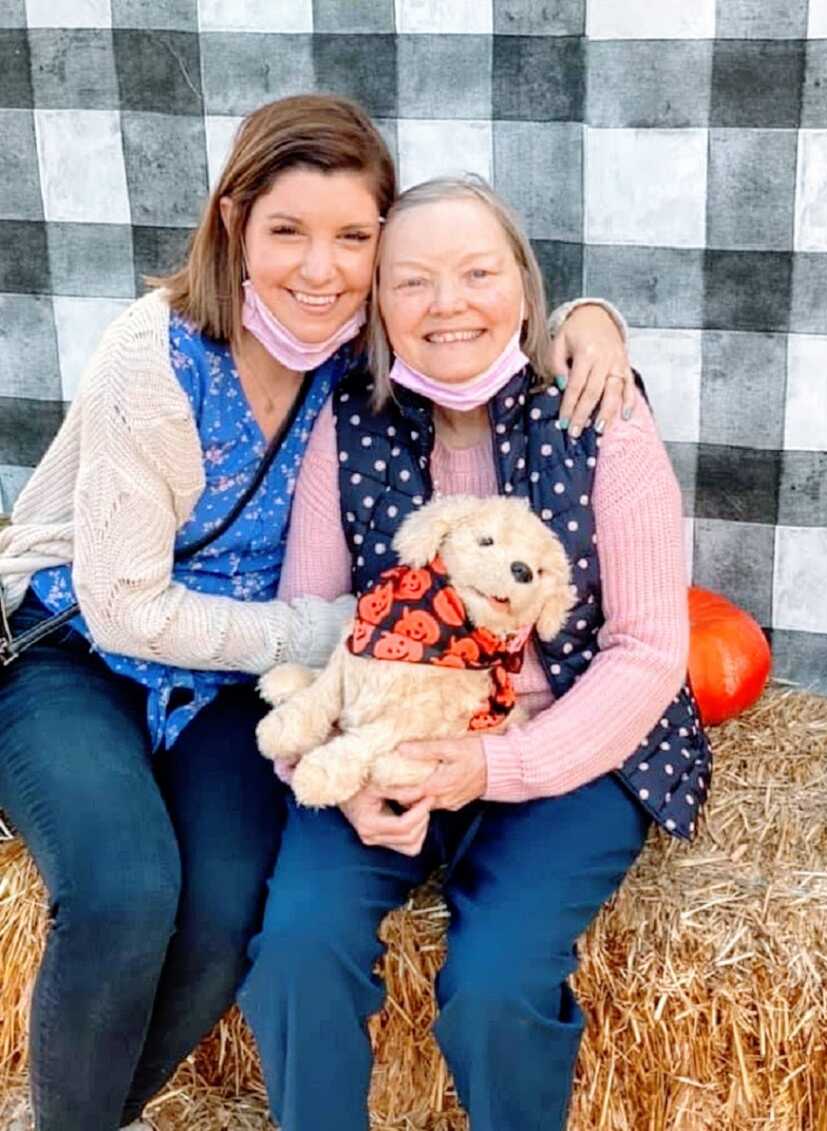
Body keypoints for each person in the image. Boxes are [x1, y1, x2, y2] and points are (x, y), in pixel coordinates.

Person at [0, 96, 632, 1131]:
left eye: (353, 238)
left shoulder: (354, 352)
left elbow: (469, 311)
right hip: (78, 651)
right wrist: (329, 634)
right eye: (286, 231)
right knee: (124, 891)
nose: (319, 267)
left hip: (221, 685)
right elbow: (124, 609)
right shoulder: (152, 357)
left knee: (229, 909)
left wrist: (585, 317)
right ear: (233, 224)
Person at [239, 175, 713, 1131]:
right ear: (379, 307)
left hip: (570, 744)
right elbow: (317, 616)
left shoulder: (601, 419)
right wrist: (332, 769)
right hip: (394, 730)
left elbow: (649, 648)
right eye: (412, 282)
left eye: (477, 272)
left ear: (526, 291)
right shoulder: (349, 424)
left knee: (495, 985)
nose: (446, 303)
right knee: (295, 945)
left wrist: (498, 764)